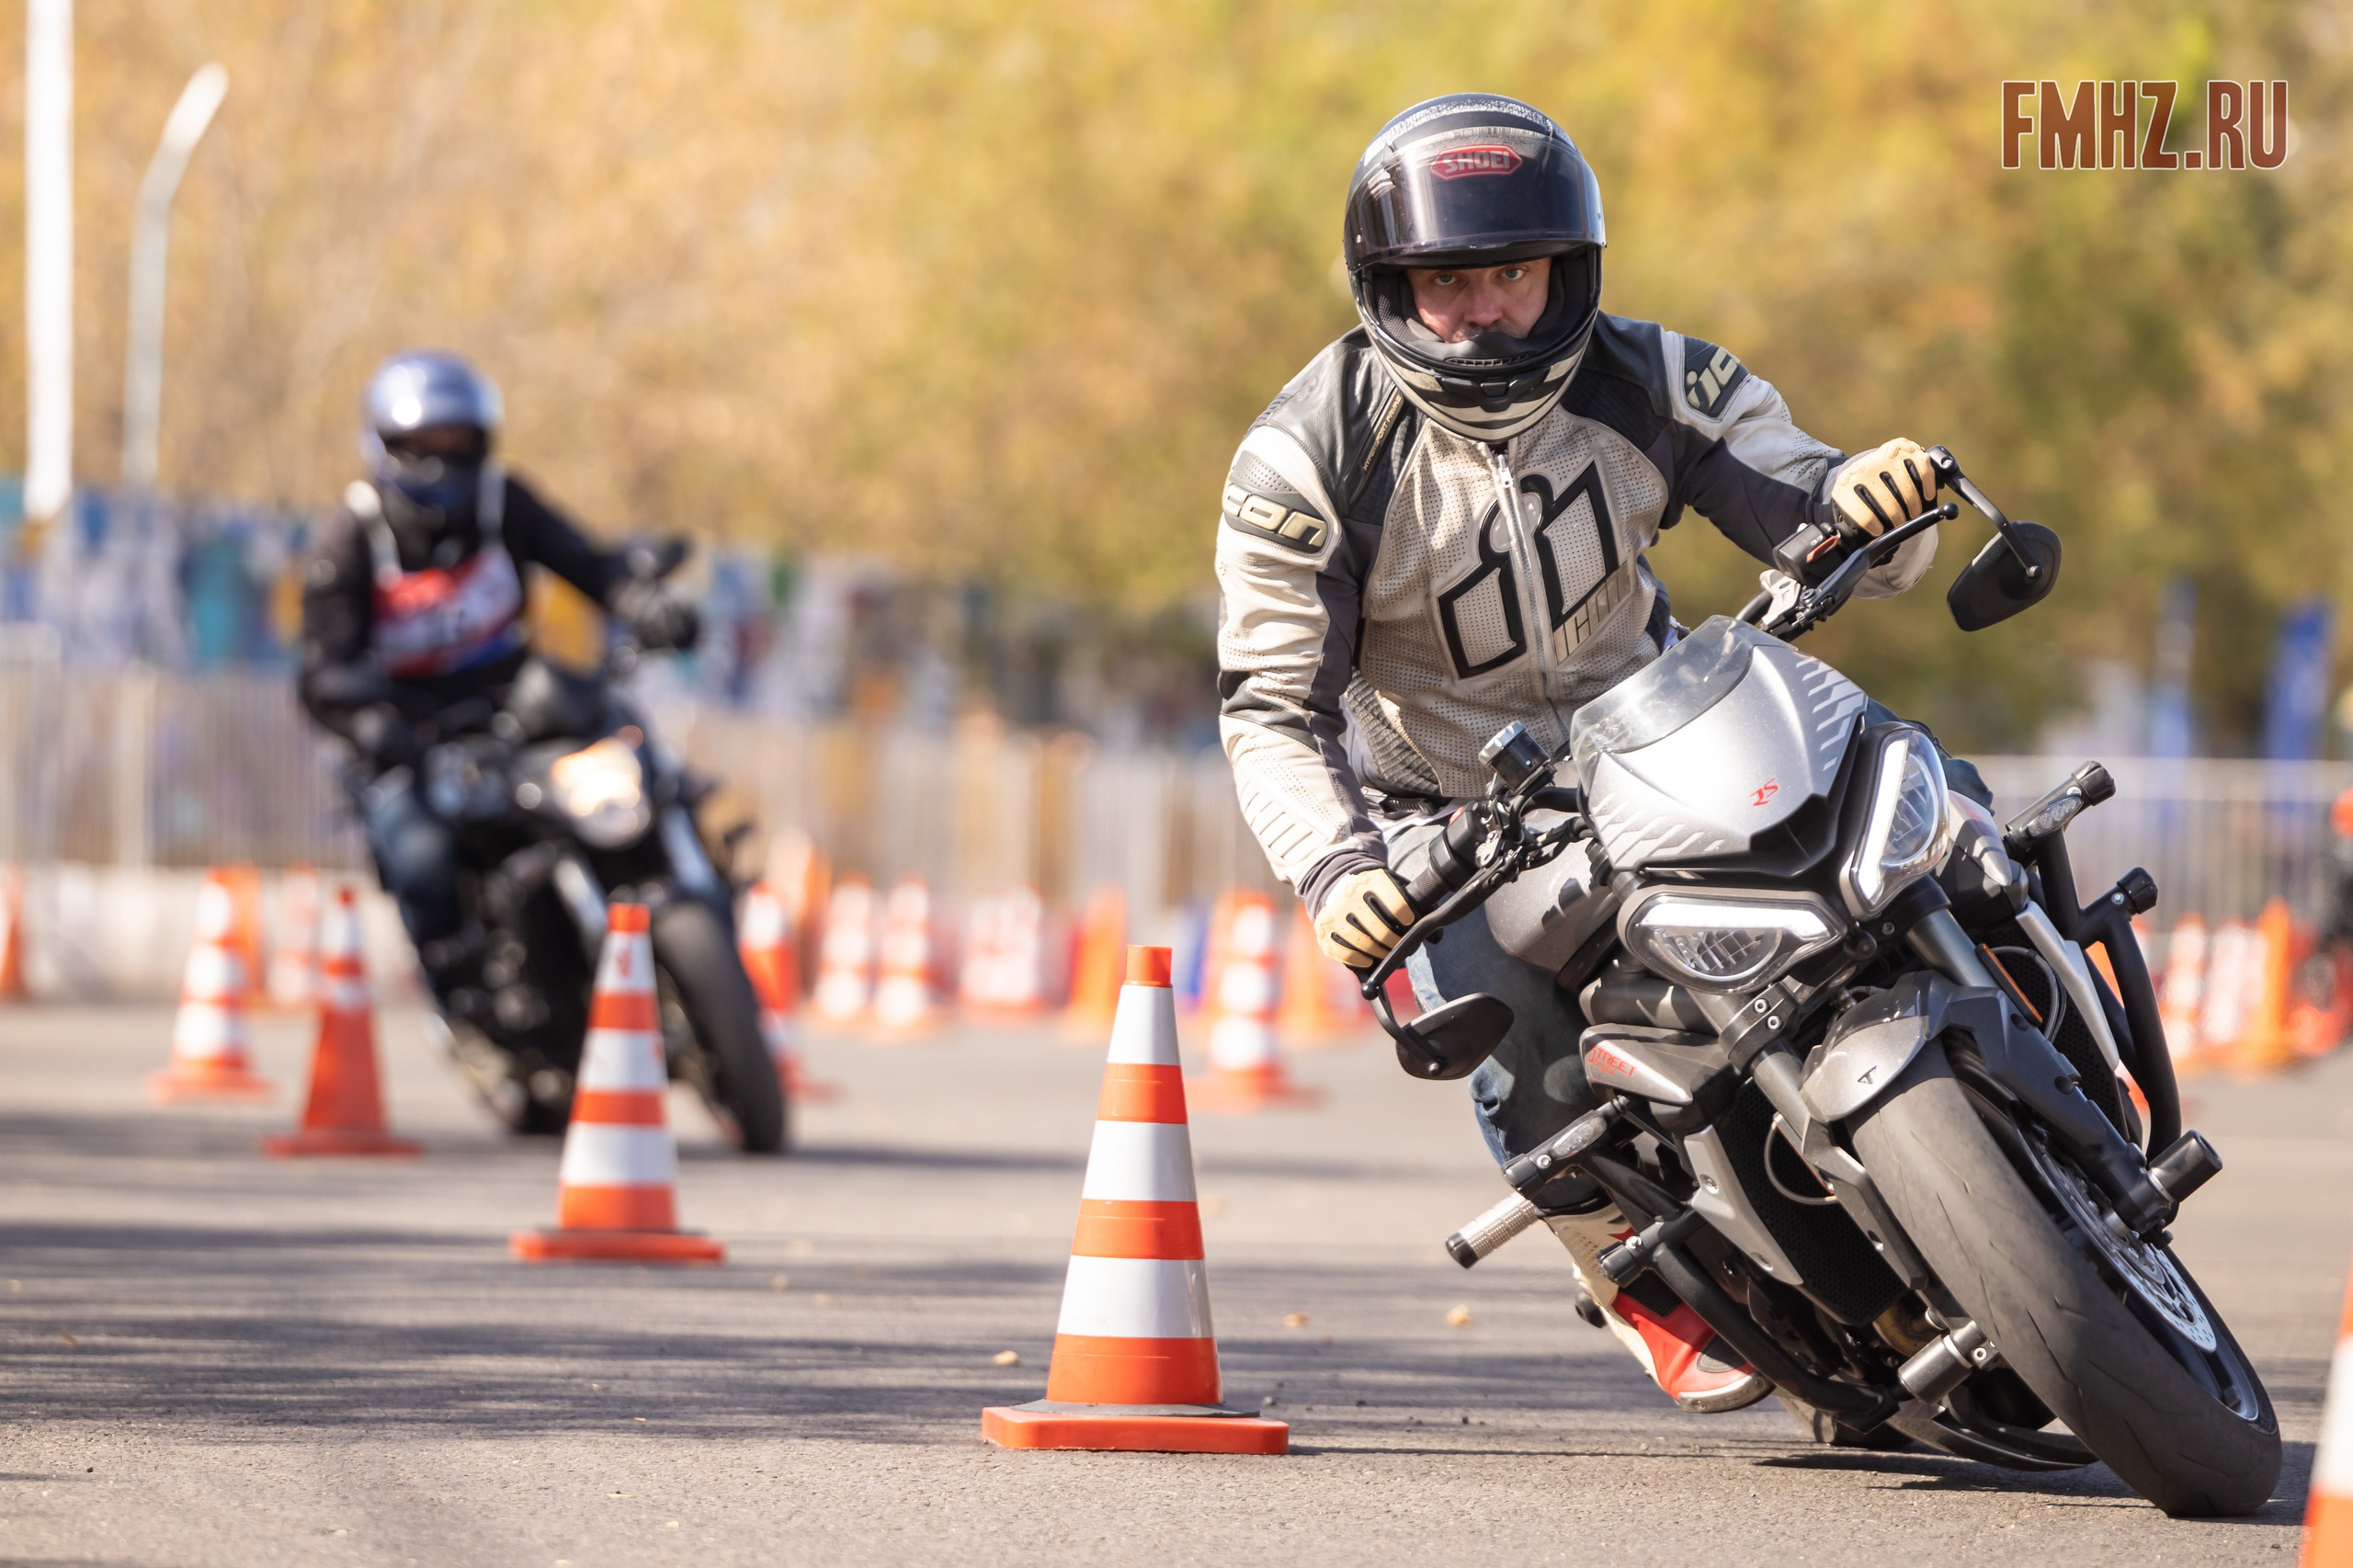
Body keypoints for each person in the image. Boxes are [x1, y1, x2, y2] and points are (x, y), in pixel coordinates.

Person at [1212, 95, 1991, 1415]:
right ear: (1388, 287)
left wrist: (1878, 496)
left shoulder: (1656, 376)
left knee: (1921, 799)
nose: (1482, 314)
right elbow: (1271, 706)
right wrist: (1338, 874)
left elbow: (1812, 510)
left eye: (1511, 274)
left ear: (1563, 271)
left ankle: (2019, 1020)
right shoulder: (1307, 460)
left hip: (1666, 728)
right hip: (1447, 812)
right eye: (1445, 282)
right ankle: (1622, 1251)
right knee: (1484, 1002)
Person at [297, 349, 698, 1020]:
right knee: (421, 856)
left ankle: (677, 890)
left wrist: (642, 604)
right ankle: (472, 998)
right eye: (424, 445)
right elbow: (321, 671)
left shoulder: (503, 502)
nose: (443, 459)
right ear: (387, 446)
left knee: (633, 759)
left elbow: (591, 566)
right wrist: (370, 723)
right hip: (412, 735)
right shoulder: (350, 540)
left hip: (520, 706)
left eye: (458, 442)